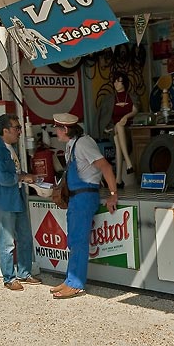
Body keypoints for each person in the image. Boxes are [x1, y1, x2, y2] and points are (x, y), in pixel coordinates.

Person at [50, 112, 118, 299]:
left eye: (57, 128)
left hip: (85, 196)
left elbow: (105, 166)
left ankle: (76, 284)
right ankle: (70, 279)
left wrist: (113, 194)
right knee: (73, 240)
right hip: (76, 198)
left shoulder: (83, 143)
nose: (55, 131)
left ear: (65, 129)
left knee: (79, 241)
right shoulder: (72, 144)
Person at [0, 113, 42, 291]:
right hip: (3, 200)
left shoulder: (10, 147)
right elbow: (3, 178)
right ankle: (9, 278)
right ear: (5, 130)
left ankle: (24, 272)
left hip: (16, 197)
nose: (20, 131)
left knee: (25, 237)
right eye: (16, 128)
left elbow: (15, 170)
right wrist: (24, 177)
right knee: (7, 241)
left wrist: (28, 177)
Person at [95, 73, 139, 187]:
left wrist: (126, 116)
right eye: (114, 81)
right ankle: (128, 163)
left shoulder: (131, 96)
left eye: (118, 81)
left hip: (129, 129)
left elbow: (135, 111)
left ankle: (118, 179)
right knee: (118, 128)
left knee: (117, 139)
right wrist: (107, 127)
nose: (115, 83)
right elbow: (104, 116)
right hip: (114, 128)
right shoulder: (110, 99)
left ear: (124, 82)